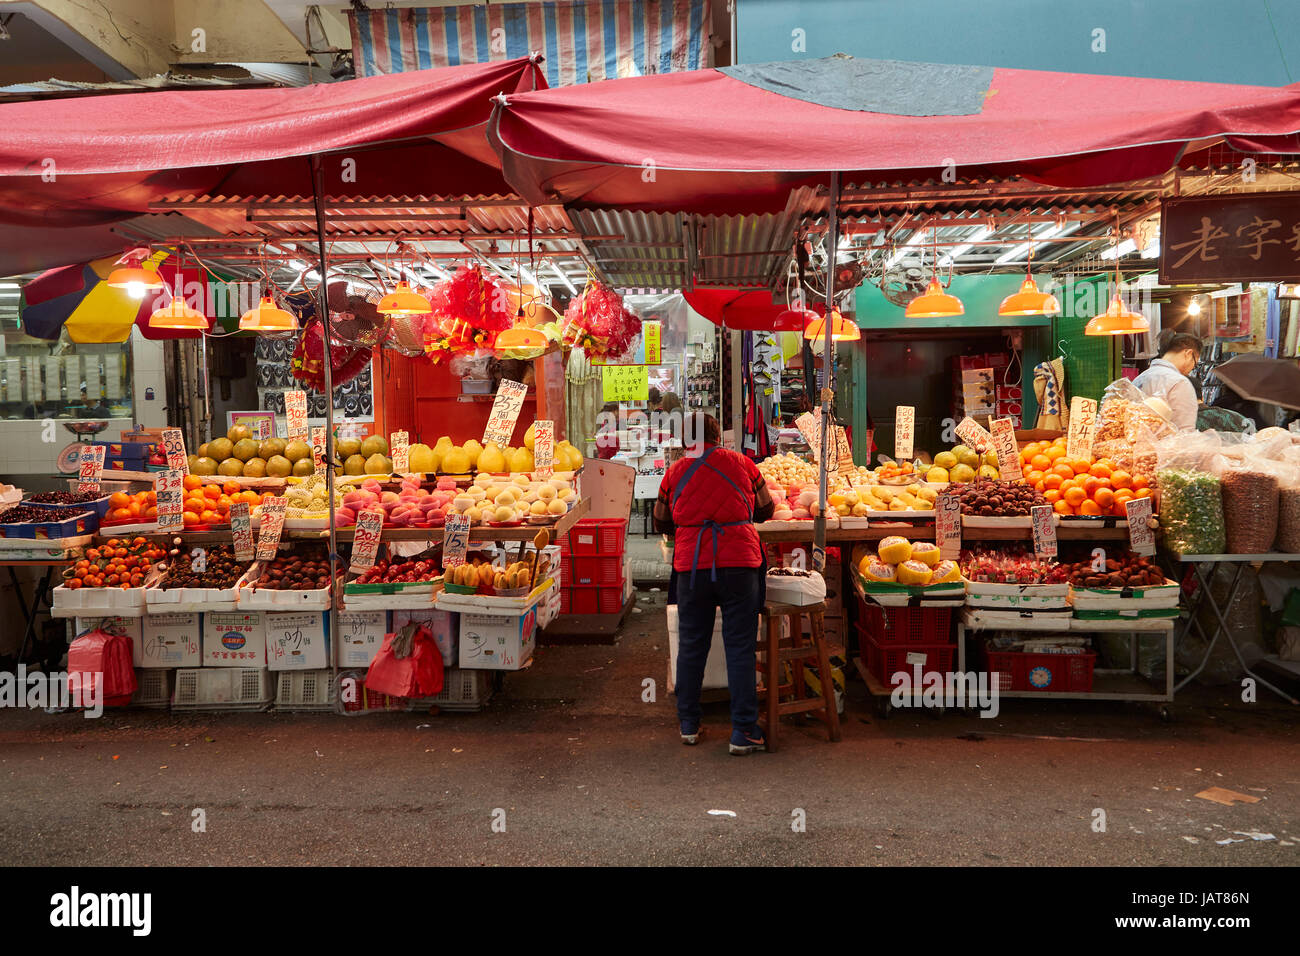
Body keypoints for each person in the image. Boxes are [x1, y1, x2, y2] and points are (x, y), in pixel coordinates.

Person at [654, 412, 775, 755]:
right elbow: (766, 509)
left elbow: (661, 521)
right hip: (740, 562)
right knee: (740, 647)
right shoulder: (743, 463)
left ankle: (689, 725)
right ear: (716, 436)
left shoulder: (675, 472)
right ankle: (744, 732)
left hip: (693, 566)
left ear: (683, 441)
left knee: (692, 645)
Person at [1131, 332, 1202, 431]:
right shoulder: (1179, 382)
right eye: (1195, 363)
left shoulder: (1139, 378)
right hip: (1166, 445)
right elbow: (1185, 432)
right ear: (1188, 354)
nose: (1192, 369)